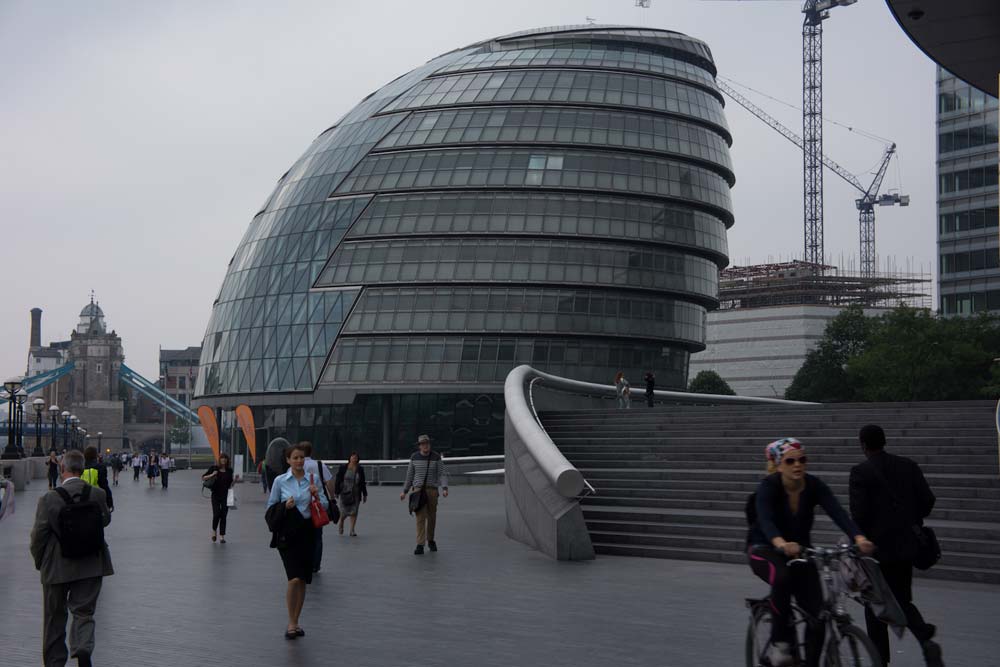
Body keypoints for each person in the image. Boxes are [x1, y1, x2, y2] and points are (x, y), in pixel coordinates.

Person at [746, 438, 874, 667]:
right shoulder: (769, 486)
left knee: (818, 616)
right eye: (790, 460)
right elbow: (764, 520)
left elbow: (838, 512)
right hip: (763, 549)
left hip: (800, 553)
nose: (798, 464)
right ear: (778, 464)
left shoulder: (813, 485)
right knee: (782, 578)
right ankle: (779, 645)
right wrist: (781, 543)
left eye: (802, 459)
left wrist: (859, 538)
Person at [849, 424, 943, 667]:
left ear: (863, 445)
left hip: (876, 551)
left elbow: (858, 514)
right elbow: (928, 500)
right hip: (906, 547)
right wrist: (909, 520)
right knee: (902, 599)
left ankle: (880, 660)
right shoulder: (908, 466)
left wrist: (859, 541)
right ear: (884, 441)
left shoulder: (861, 472)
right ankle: (925, 640)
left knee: (874, 606)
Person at [30, 449, 114, 667]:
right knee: (84, 613)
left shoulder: (48, 499)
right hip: (90, 564)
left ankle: (55, 662)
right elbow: (104, 521)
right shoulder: (97, 494)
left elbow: (38, 535)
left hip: (56, 567)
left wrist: (40, 561)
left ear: (62, 468)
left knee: (54, 618)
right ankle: (82, 648)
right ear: (83, 468)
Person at [265, 443, 319, 640]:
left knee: (303, 579)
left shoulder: (312, 480)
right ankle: (290, 621)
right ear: (288, 460)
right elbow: (270, 507)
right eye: (295, 458)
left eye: (301, 458)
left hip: (307, 531)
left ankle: (296, 621)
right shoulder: (280, 481)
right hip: (288, 533)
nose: (299, 461)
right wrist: (284, 506)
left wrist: (315, 495)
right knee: (294, 578)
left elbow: (322, 505)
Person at [399, 434, 448, 555]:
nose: (425, 445)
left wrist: (445, 488)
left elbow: (442, 473)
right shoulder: (414, 457)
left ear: (429, 444)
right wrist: (405, 491)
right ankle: (420, 544)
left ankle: (431, 540)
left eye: (427, 443)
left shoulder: (436, 457)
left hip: (432, 490)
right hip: (418, 491)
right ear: (419, 446)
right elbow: (409, 475)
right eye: (423, 444)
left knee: (432, 517)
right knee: (420, 518)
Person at [299, 442, 334, 572]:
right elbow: (330, 482)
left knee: (302, 536)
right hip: (317, 505)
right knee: (317, 536)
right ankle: (316, 564)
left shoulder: (295, 465)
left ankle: (304, 561)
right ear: (311, 451)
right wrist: (332, 498)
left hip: (301, 507)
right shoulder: (319, 465)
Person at [202, 453, 235, 543]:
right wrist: (212, 474)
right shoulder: (214, 468)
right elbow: (203, 478)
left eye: (225, 458)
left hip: (226, 495)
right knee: (216, 514)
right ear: (219, 460)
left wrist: (235, 480)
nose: (223, 460)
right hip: (215, 495)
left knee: (223, 516)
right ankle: (214, 531)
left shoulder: (229, 470)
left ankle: (222, 536)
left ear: (227, 460)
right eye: (222, 458)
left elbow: (230, 485)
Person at [335, 452, 368, 537]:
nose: (354, 458)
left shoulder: (360, 469)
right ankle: (341, 522)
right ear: (349, 458)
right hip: (345, 492)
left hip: (356, 493)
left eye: (356, 457)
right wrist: (336, 492)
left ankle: (352, 530)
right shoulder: (343, 468)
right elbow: (338, 480)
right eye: (353, 457)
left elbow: (362, 482)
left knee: (354, 512)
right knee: (344, 512)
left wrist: (365, 494)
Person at [82, 447, 114, 513]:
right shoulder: (100, 467)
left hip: (81, 499)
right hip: (96, 498)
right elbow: (104, 486)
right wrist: (109, 502)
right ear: (96, 455)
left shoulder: (80, 467)